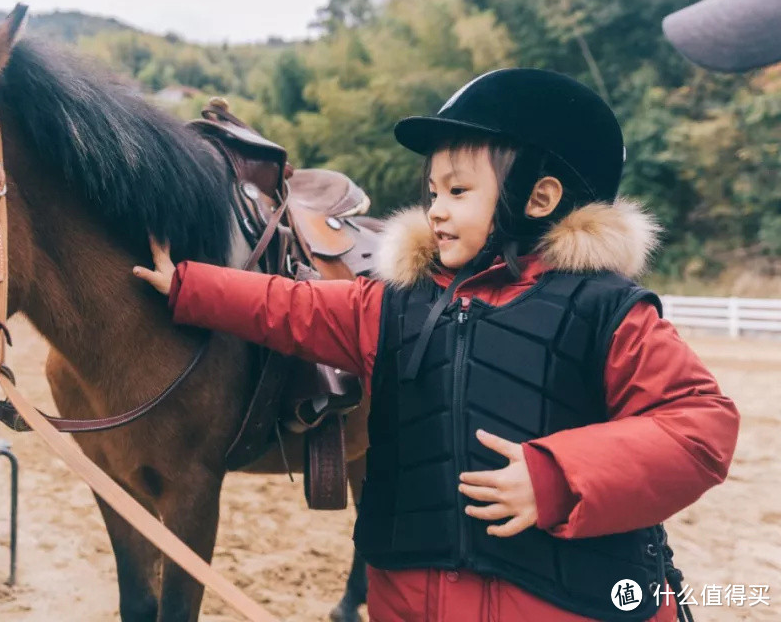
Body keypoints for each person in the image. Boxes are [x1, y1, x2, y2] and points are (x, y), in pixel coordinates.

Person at [132, 68, 739, 622]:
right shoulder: (396, 303)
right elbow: (289, 306)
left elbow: (700, 426)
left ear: (540, 198)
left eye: (457, 192)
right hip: (411, 600)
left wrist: (558, 478)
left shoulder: (604, 313)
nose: (436, 211)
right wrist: (187, 284)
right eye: (432, 193)